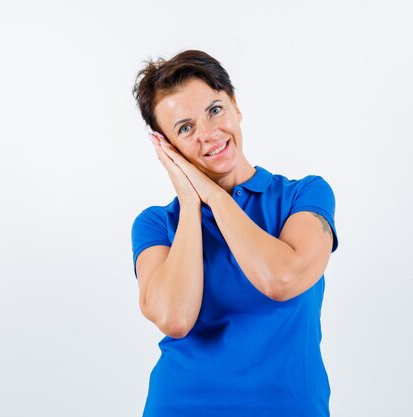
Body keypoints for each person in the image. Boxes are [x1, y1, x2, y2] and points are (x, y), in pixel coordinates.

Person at [130, 49, 339, 417]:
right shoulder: (157, 224)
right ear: (168, 147)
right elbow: (175, 319)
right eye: (185, 128)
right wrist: (191, 205)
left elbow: (281, 278)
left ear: (236, 106)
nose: (208, 134)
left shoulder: (303, 196)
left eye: (214, 110)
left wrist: (211, 193)